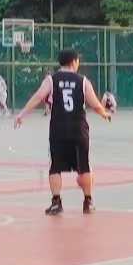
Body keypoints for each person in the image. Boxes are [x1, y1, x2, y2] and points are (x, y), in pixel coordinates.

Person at [16, 49, 112, 214]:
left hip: (58, 130)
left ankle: (56, 202)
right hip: (79, 129)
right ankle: (88, 202)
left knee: (55, 167)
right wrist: (105, 114)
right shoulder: (83, 81)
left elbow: (38, 97)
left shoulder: (51, 80)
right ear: (74, 62)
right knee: (84, 167)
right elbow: (95, 104)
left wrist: (22, 114)